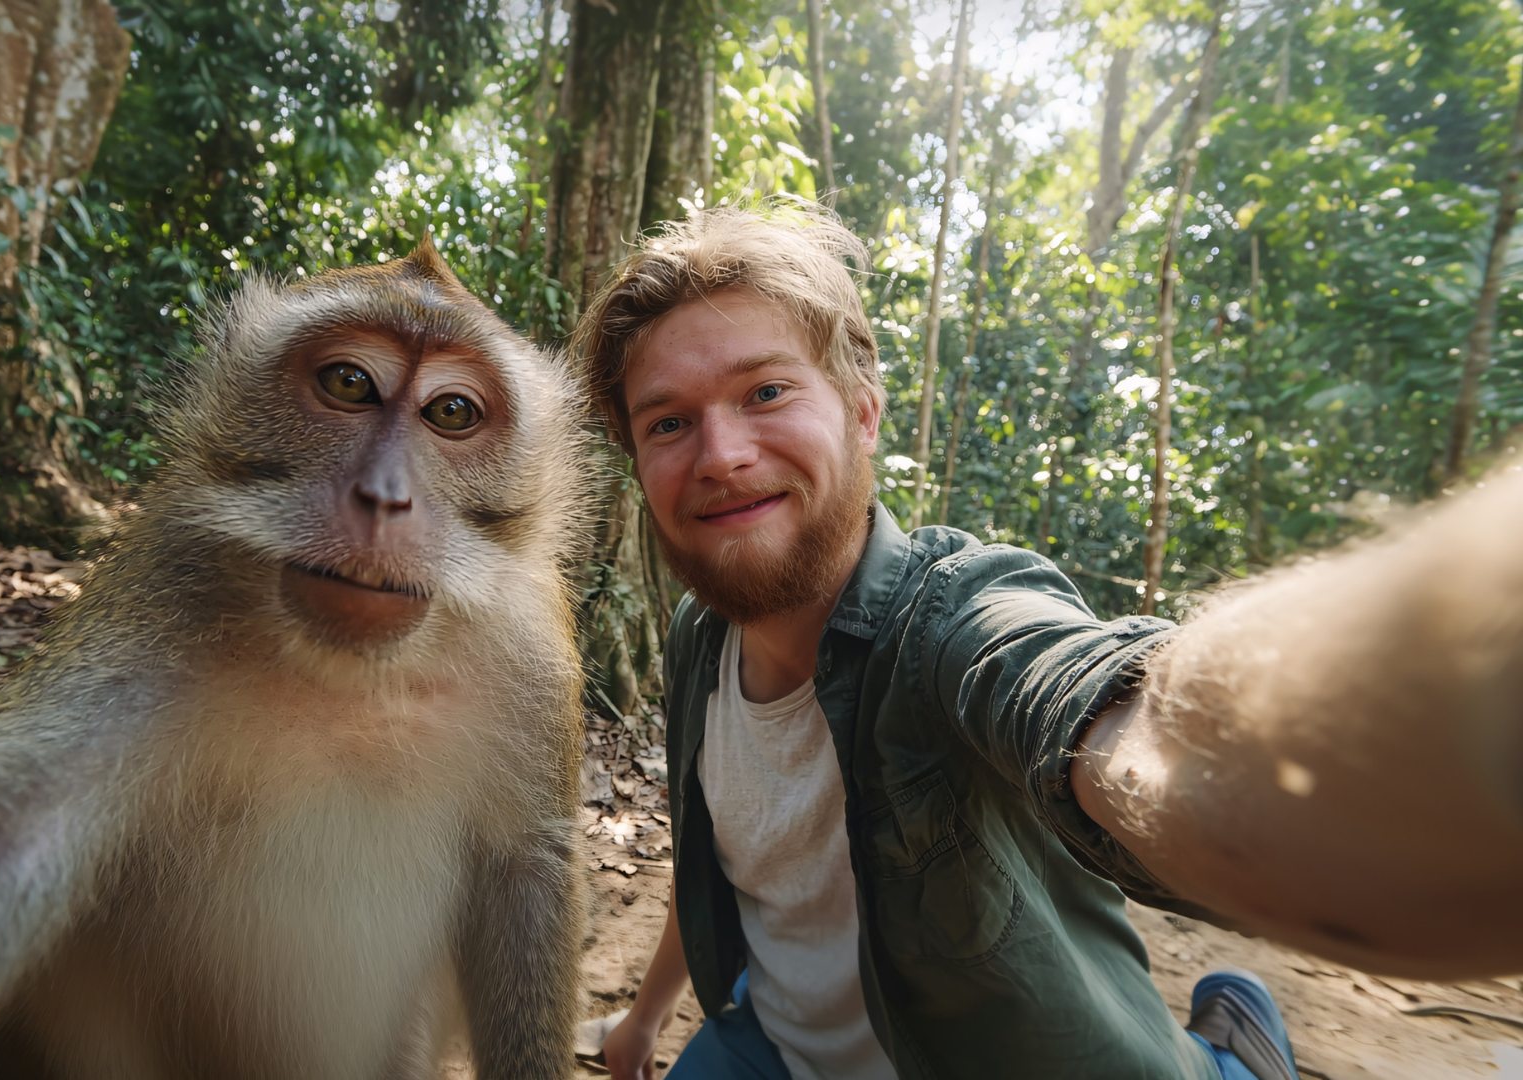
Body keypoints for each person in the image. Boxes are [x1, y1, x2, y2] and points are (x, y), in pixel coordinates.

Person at [577, 204, 1523, 1080]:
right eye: (669, 422)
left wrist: (1395, 729)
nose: (721, 454)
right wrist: (647, 1016)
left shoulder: (951, 620)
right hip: (770, 1044)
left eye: (767, 390)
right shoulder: (699, 639)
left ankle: (1235, 1049)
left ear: (862, 410)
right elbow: (719, 851)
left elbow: (1093, 701)